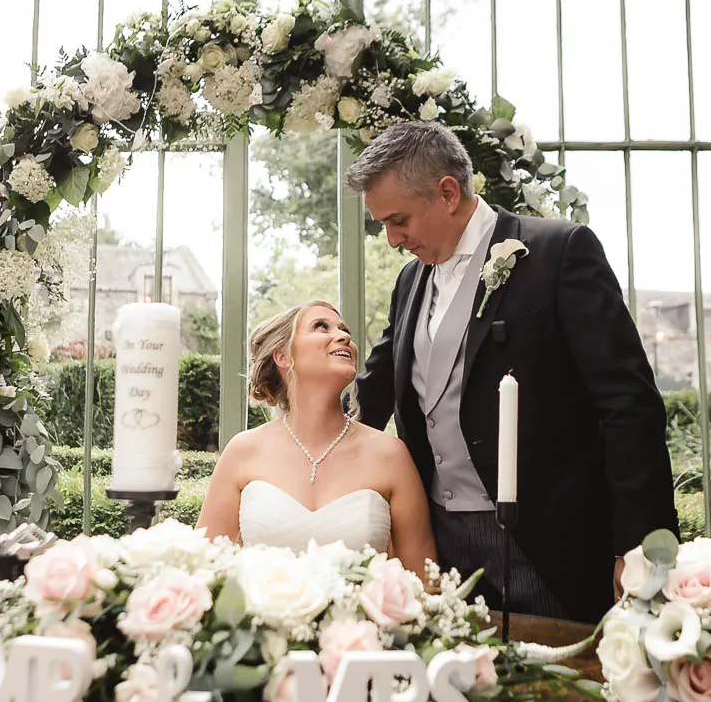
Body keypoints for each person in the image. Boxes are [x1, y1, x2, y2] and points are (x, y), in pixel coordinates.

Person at [346, 121, 677, 623]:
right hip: (438, 544)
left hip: (547, 541)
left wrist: (638, 542)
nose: (392, 240)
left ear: (448, 192)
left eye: (400, 220)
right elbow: (376, 388)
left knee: (564, 689)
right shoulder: (410, 280)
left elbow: (627, 404)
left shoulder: (558, 252)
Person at [197, 300, 437, 579]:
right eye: (321, 326)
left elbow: (425, 581)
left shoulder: (390, 454)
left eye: (344, 329)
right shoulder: (243, 451)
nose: (344, 336)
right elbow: (204, 569)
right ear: (283, 357)